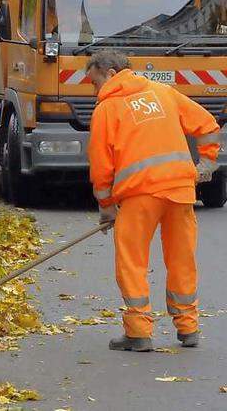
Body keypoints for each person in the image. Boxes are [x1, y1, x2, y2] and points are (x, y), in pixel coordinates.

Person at [86, 50, 221, 352]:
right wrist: (208, 163)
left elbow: (101, 164)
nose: (95, 90)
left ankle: (138, 331)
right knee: (181, 259)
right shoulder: (163, 92)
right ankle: (188, 327)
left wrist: (106, 206)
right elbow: (208, 124)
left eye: (95, 82)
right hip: (180, 190)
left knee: (132, 262)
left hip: (139, 195)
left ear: (110, 73)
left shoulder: (107, 109)